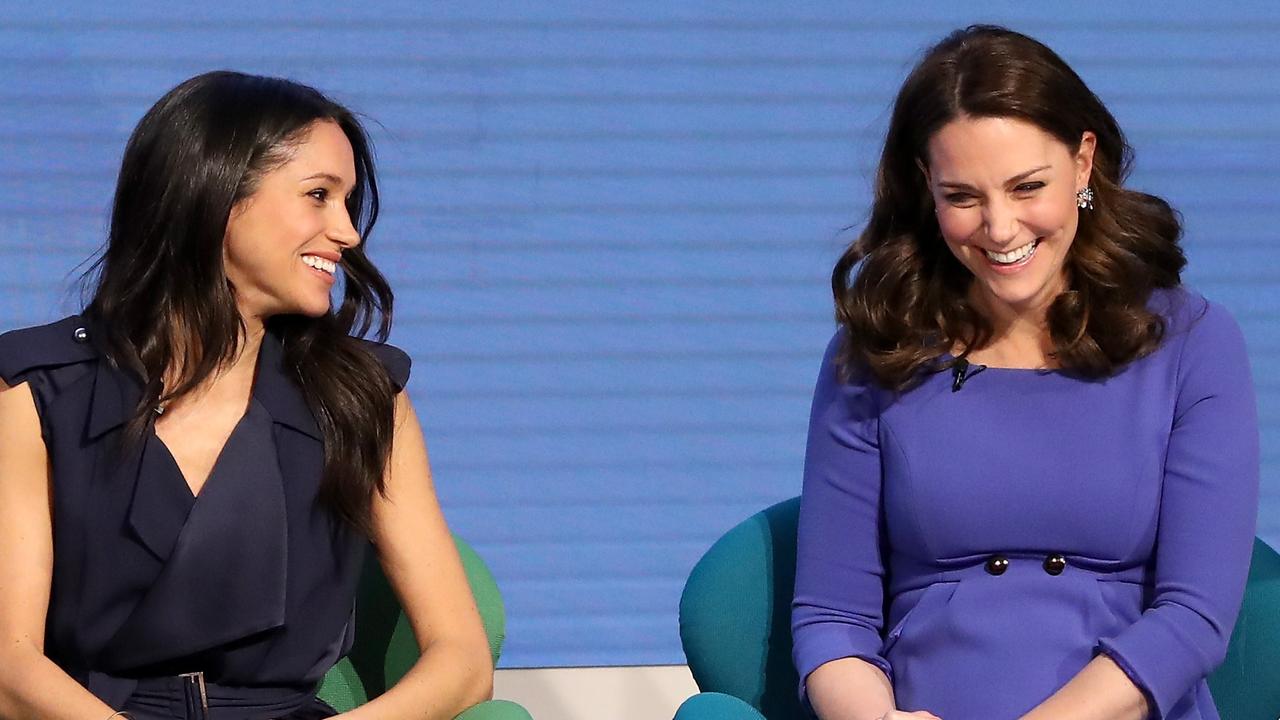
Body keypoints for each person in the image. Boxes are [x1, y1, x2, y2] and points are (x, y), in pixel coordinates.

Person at [791, 25, 1258, 720]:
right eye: (964, 196)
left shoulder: (1192, 342)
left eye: (1027, 187)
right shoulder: (874, 355)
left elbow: (1194, 615)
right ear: (927, 186)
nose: (1001, 228)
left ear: (1083, 163)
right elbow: (832, 618)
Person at [0, 72, 493, 719]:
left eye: (348, 203)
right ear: (214, 194)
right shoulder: (37, 390)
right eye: (318, 196)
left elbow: (462, 658)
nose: (347, 233)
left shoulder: (366, 398)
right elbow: (10, 664)